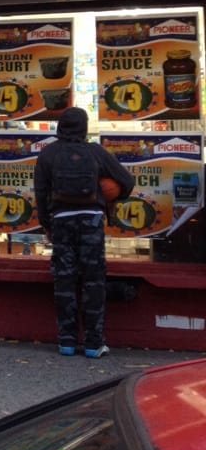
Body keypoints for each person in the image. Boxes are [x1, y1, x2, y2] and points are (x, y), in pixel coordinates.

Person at [34, 107, 134, 359]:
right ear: (84, 127)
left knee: (64, 280)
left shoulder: (48, 154)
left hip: (61, 221)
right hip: (91, 221)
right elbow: (128, 182)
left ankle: (66, 342)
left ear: (60, 127)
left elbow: (41, 193)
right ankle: (93, 344)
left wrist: (48, 225)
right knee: (94, 280)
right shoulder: (95, 152)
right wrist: (107, 193)